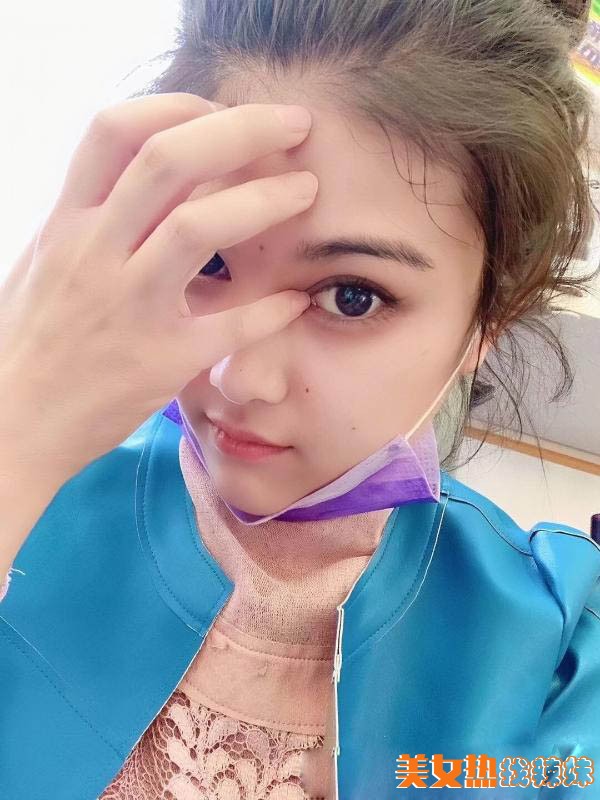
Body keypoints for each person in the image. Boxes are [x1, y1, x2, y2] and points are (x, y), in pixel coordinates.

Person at [0, 1, 599, 798]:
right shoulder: (34, 491)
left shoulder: (556, 655)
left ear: (487, 321)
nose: (236, 377)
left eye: (352, 296)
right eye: (207, 261)